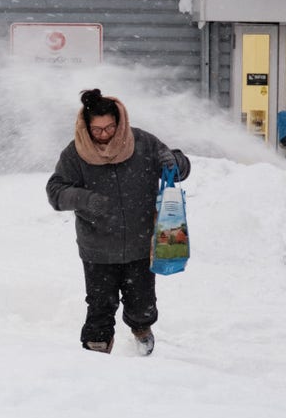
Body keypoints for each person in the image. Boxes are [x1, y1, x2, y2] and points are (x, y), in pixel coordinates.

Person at [46, 89, 190, 355]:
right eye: (97, 130)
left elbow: (181, 169)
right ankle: (97, 349)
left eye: (110, 127)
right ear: (86, 127)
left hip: (139, 243)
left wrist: (176, 161)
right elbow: (55, 192)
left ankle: (141, 329)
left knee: (142, 303)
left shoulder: (143, 143)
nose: (104, 135)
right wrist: (85, 199)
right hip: (97, 247)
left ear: (120, 122)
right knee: (100, 304)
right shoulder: (75, 153)